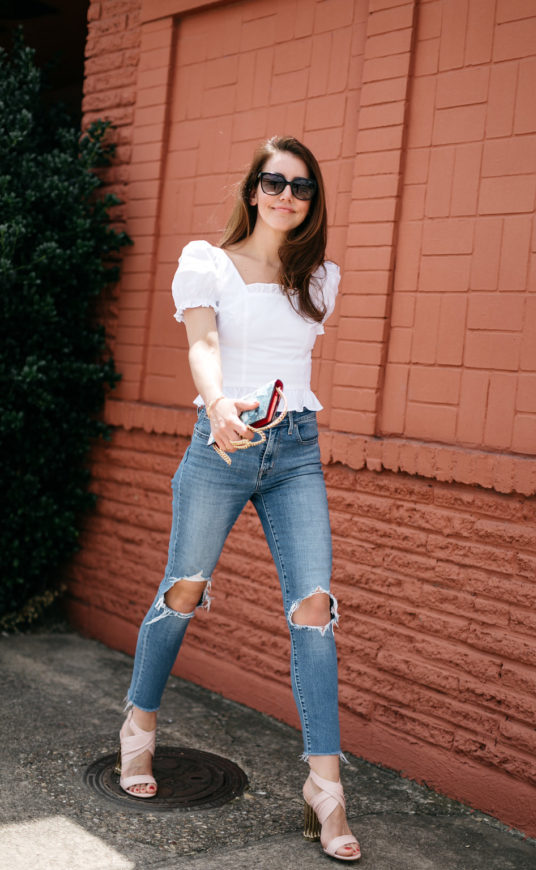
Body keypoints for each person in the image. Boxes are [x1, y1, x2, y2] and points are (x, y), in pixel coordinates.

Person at [117, 135, 361, 862]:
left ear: (313, 200)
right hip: (221, 445)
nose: (287, 194)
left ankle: (326, 787)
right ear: (252, 188)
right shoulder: (209, 262)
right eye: (274, 180)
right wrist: (218, 403)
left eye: (302, 186)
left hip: (295, 453)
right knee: (183, 591)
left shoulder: (319, 279)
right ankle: (139, 725)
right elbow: (202, 344)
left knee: (313, 607)